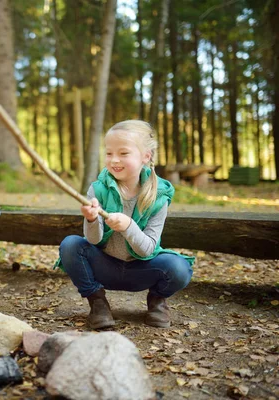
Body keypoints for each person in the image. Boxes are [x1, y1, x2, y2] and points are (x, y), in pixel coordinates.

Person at [57, 120, 194, 329]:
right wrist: (92, 219)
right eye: (109, 153)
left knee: (179, 268)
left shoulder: (159, 195)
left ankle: (157, 301)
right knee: (70, 245)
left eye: (123, 153)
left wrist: (129, 226)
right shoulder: (98, 189)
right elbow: (92, 240)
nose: (114, 160)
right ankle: (98, 303)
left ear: (146, 157)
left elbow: (148, 248)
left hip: (143, 269)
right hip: (105, 267)